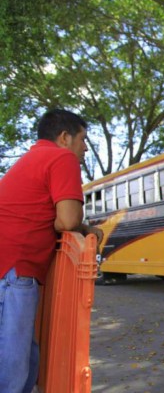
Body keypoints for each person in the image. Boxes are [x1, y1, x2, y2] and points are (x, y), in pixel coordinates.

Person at [0, 109, 101, 393]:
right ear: (64, 137)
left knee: (27, 359)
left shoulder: (32, 158)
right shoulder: (62, 157)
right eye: (82, 140)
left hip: (11, 269)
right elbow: (67, 220)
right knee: (13, 367)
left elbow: (59, 219)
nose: (84, 148)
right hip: (13, 270)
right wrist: (84, 227)